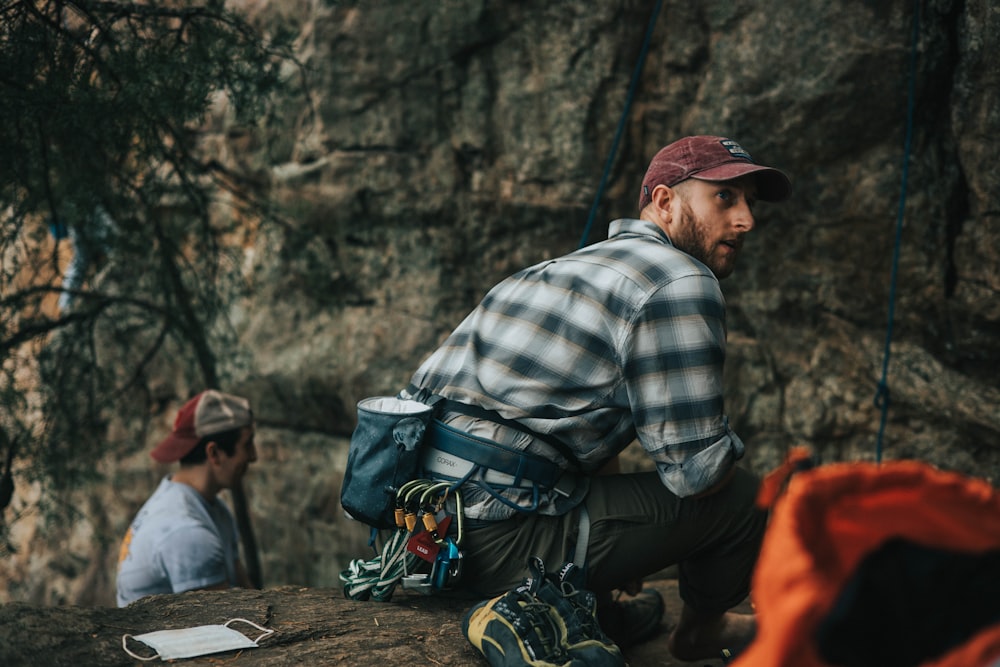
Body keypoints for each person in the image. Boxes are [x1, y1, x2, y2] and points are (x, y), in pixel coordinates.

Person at [402, 135, 791, 660]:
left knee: (575, 471)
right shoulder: (679, 280)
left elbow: (555, 430)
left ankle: (593, 610)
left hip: (418, 533)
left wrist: (627, 549)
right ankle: (704, 632)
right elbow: (696, 476)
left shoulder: (554, 270)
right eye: (725, 198)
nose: (746, 220)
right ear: (664, 202)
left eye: (749, 202)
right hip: (494, 543)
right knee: (745, 499)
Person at [116, 389, 258, 607]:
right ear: (214, 453)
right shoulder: (187, 532)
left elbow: (248, 595)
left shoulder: (213, 508)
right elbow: (224, 622)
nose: (253, 456)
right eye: (247, 445)